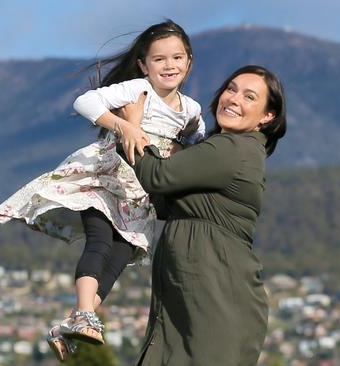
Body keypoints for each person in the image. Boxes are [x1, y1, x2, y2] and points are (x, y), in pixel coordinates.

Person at [0, 20, 205, 361]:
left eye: (177, 58)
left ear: (189, 62)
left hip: (140, 195)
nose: (169, 66)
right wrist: (123, 125)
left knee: (120, 258)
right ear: (143, 65)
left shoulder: (191, 110)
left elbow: (197, 145)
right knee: (100, 242)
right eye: (159, 59)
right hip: (105, 180)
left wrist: (182, 152)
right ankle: (83, 311)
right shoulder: (137, 90)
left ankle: (72, 324)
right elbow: (85, 102)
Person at [119, 64, 287, 366]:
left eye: (249, 97)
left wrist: (131, 125)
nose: (233, 99)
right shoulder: (227, 149)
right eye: (231, 89)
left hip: (214, 297)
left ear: (267, 116)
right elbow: (164, 198)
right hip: (203, 295)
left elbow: (157, 176)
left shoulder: (234, 149)